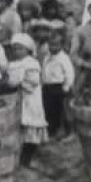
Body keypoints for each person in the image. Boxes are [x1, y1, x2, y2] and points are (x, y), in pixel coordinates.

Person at [8, 34, 47, 168]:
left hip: (30, 99)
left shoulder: (32, 63)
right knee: (19, 128)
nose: (17, 52)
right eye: (15, 49)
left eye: (20, 49)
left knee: (31, 126)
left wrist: (20, 83)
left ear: (28, 50)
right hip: (18, 99)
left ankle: (28, 158)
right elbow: (10, 81)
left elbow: (33, 82)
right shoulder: (12, 64)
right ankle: (19, 158)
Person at [40, 28, 74, 139]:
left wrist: (66, 86)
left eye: (56, 45)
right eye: (50, 45)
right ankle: (52, 130)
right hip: (48, 87)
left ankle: (65, 130)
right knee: (49, 109)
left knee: (62, 110)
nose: (52, 48)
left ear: (62, 45)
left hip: (59, 87)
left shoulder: (63, 58)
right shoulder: (47, 57)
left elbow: (69, 73)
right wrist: (43, 83)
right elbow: (44, 70)